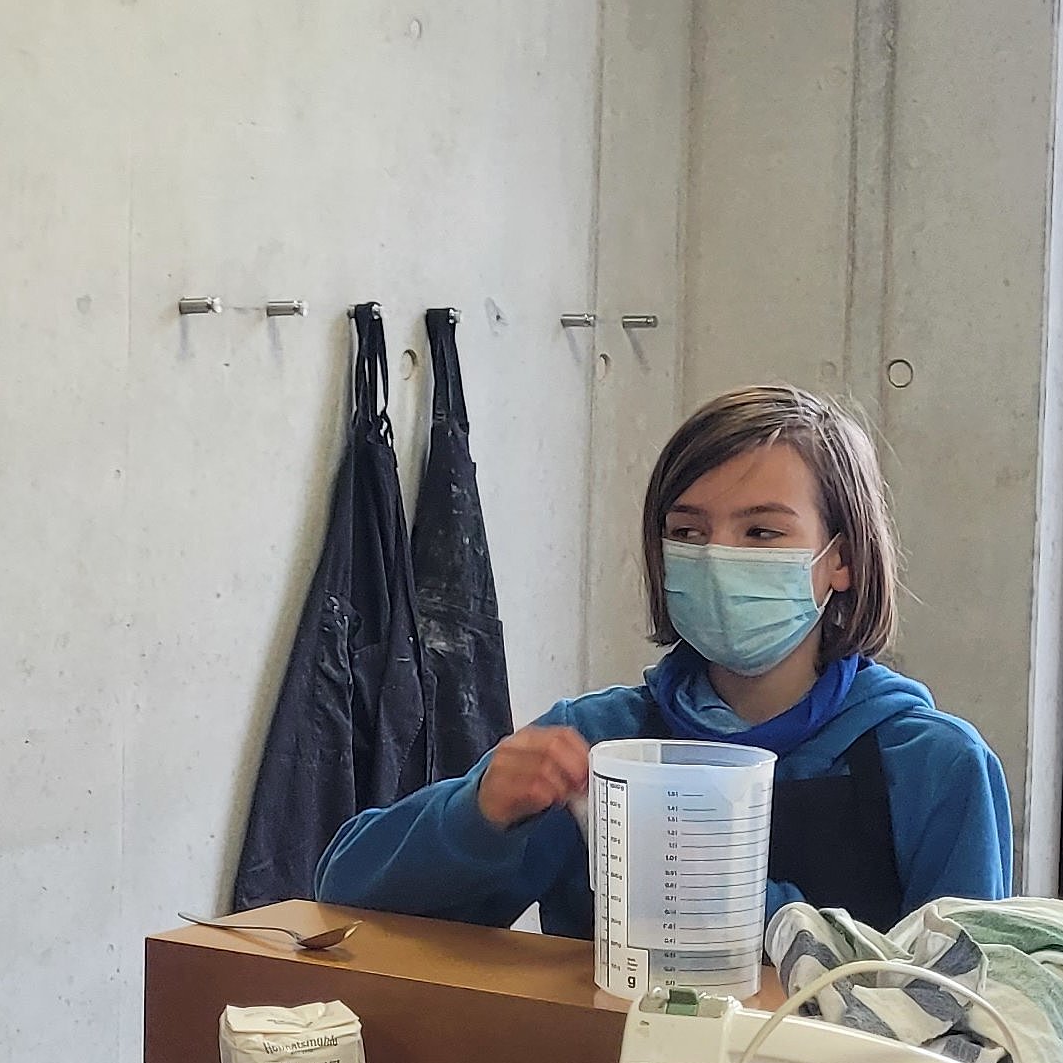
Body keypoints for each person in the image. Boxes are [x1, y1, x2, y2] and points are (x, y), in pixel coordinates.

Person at [317, 384, 1012, 934]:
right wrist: (479, 813)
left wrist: (739, 901)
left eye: (761, 532)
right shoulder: (595, 743)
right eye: (688, 531)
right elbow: (344, 890)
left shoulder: (933, 765)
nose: (717, 557)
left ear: (843, 560)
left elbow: (970, 1004)